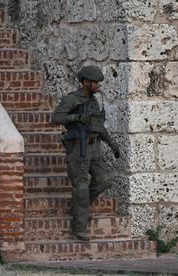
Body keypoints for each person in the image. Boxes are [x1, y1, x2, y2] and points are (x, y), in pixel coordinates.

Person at [52, 65, 121, 241]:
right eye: (95, 82)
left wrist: (112, 144)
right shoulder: (72, 99)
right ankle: (79, 227)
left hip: (94, 148)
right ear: (85, 82)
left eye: (98, 83)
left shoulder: (94, 101)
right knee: (81, 188)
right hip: (78, 148)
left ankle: (79, 207)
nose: (98, 86)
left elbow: (99, 126)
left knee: (102, 181)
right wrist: (76, 118)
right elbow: (56, 118)